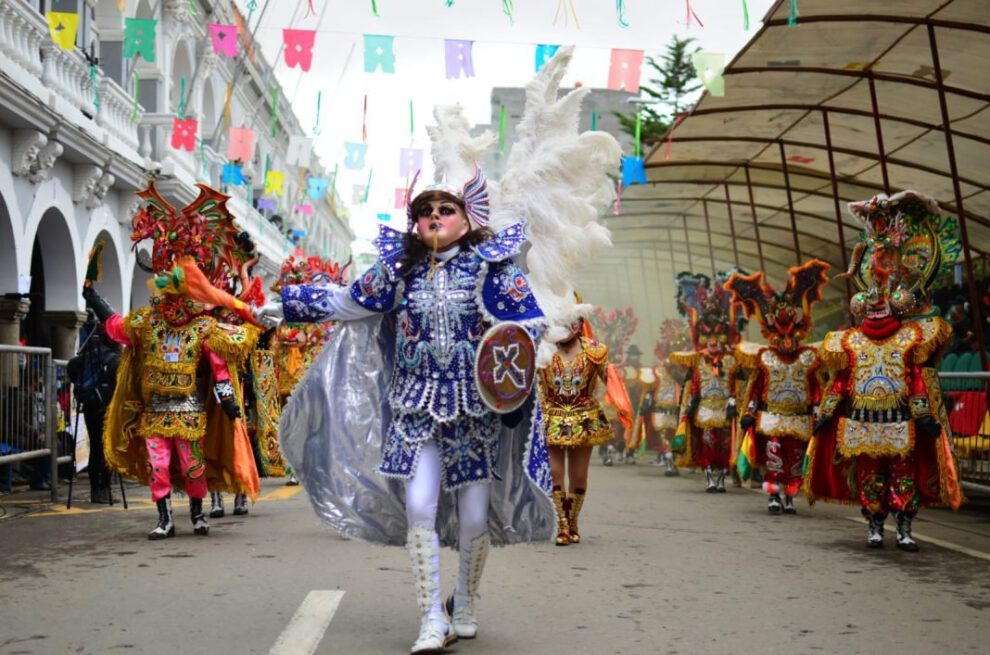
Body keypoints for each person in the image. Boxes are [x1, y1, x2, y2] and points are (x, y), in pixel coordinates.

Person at [270, 47, 619, 654]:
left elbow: (525, 326)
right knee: (422, 508)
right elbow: (349, 301)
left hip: (474, 413)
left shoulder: (494, 268)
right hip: (412, 409)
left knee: (476, 519)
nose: (434, 215)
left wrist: (531, 343)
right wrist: (279, 305)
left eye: (445, 208)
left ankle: (469, 600)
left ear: (467, 217)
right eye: (425, 209)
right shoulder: (397, 271)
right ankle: (430, 614)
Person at [85, 181, 261, 540]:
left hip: (190, 410)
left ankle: (197, 514)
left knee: (193, 467)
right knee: (159, 466)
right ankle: (164, 518)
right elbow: (117, 326)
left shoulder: (203, 328)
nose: (173, 303)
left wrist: (229, 404)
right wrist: (92, 297)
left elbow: (222, 361)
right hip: (154, 411)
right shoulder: (148, 324)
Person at [805, 191, 964, 550]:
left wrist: (924, 413)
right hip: (863, 421)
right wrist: (827, 411)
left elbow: (917, 377)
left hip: (900, 419)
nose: (876, 307)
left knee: (904, 473)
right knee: (870, 474)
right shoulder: (851, 342)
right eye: (869, 304)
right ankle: (875, 524)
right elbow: (842, 381)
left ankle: (904, 527)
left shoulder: (911, 337)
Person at [725, 260, 830, 514]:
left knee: (795, 458)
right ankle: (773, 495)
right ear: (770, 334)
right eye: (781, 337)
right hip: (771, 417)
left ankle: (790, 496)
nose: (786, 341)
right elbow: (756, 388)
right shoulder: (765, 359)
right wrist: (749, 414)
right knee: (774, 456)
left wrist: (818, 413)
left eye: (791, 336)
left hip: (798, 420)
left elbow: (816, 390)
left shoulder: (808, 358)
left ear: (800, 332)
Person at [538, 312, 630, 546]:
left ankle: (573, 520)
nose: (566, 327)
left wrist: (621, 405)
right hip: (552, 417)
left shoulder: (595, 351)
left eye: (571, 323)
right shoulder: (543, 350)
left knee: (578, 475)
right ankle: (562, 525)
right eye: (560, 323)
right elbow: (530, 383)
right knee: (555, 473)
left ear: (580, 325)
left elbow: (611, 378)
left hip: (584, 419)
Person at [669, 271, 747, 493]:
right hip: (703, 411)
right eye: (707, 336)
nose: (712, 341)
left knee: (723, 445)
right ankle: (709, 476)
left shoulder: (733, 361)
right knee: (706, 444)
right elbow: (691, 387)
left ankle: (721, 475)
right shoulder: (698, 361)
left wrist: (735, 404)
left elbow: (739, 387)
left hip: (725, 411)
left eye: (718, 335)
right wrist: (688, 408)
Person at [67, 313, 120, 503]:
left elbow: (72, 370)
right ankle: (104, 488)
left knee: (96, 447)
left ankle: (95, 489)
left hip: (90, 405)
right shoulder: (114, 358)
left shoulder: (86, 355)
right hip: (107, 406)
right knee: (106, 448)